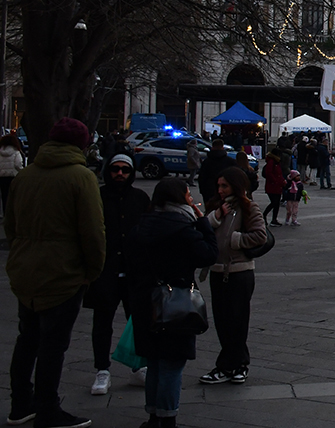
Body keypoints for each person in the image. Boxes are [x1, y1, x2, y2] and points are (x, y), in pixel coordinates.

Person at [5, 118, 105, 428]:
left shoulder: (26, 175)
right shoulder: (81, 177)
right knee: (53, 345)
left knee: (27, 339)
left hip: (26, 271)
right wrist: (92, 270)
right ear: (83, 144)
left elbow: (11, 224)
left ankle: (20, 404)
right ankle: (48, 409)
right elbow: (93, 231)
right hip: (63, 273)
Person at [124, 178, 218, 428]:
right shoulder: (184, 229)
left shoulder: (140, 227)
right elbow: (208, 253)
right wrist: (202, 222)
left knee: (154, 362)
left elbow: (129, 264)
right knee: (171, 364)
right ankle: (167, 418)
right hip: (175, 301)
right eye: (188, 195)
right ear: (181, 198)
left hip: (145, 300)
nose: (191, 199)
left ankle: (153, 415)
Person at [86, 155, 150, 396]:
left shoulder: (140, 198)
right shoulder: (98, 197)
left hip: (134, 271)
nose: (120, 174)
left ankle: (138, 366)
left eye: (125, 170)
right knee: (102, 323)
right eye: (115, 169)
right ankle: (102, 369)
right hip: (105, 271)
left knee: (138, 322)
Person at [199, 167, 268, 386]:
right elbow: (202, 230)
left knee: (237, 321)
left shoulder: (249, 208)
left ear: (236, 186)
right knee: (222, 321)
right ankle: (230, 364)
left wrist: (235, 240)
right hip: (217, 271)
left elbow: (260, 235)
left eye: (224, 186)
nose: (220, 190)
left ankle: (234, 365)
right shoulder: (217, 206)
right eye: (218, 185)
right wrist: (216, 217)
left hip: (239, 272)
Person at [196, 139, 235, 209]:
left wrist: (203, 191)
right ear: (223, 148)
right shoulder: (230, 161)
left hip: (209, 191)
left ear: (212, 147)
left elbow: (202, 178)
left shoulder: (207, 162)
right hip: (226, 192)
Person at [0, 132, 25, 220]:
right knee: (13, 196)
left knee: (4, 195)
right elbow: (18, 164)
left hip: (2, 176)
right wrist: (22, 171)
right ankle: (12, 214)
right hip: (13, 176)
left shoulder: (0, 151)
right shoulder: (16, 152)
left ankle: (5, 213)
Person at [261, 149, 285, 227]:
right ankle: (265, 215)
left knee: (276, 203)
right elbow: (269, 173)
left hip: (276, 185)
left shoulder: (275, 162)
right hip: (273, 185)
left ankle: (274, 219)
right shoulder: (272, 162)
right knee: (274, 202)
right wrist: (276, 181)